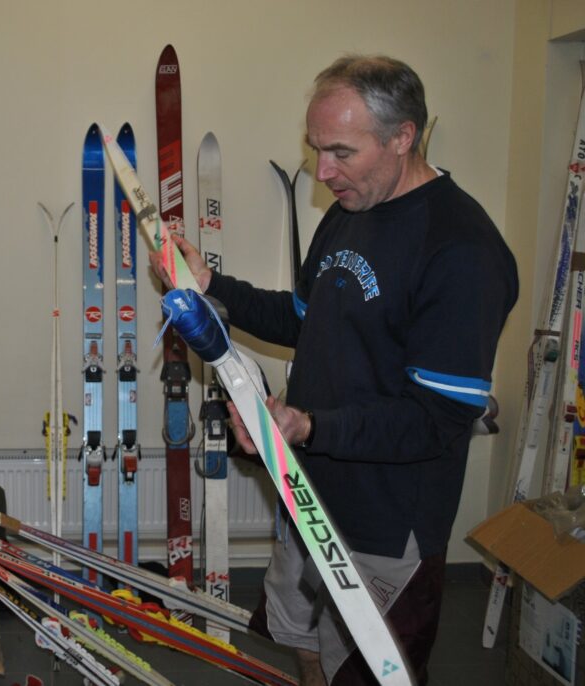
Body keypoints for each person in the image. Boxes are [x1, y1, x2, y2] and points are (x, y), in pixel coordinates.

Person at [152, 55, 518, 685]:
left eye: (342, 152)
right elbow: (304, 321)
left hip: (385, 523)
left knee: (368, 674)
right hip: (307, 491)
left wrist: (308, 426)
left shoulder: (462, 250)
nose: (322, 173)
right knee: (300, 638)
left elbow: (436, 422)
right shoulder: (349, 212)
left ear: (403, 137)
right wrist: (212, 284)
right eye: (315, 149)